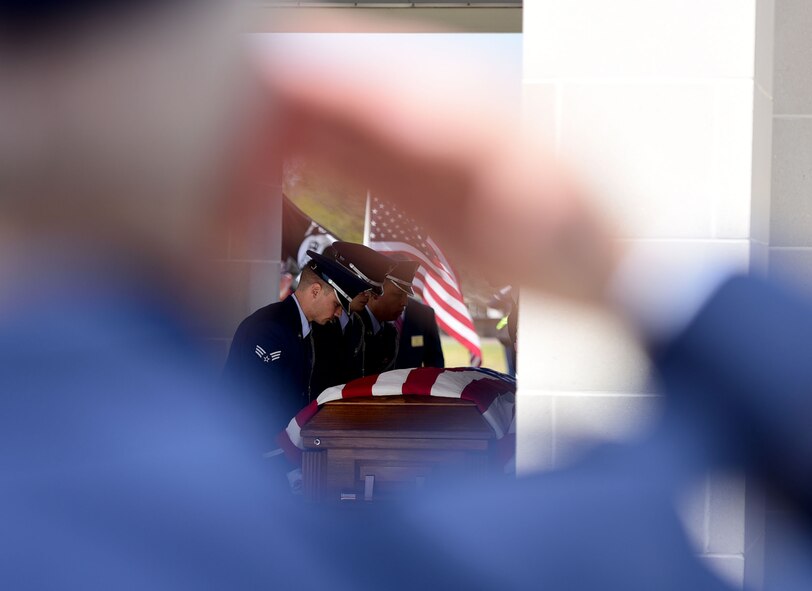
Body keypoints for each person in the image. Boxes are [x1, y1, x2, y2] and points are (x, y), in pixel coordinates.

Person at [223, 251, 371, 437]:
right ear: (315, 291)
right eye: (336, 304)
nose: (338, 314)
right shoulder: (270, 329)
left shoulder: (301, 326)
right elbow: (262, 407)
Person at [310, 242, 396, 396]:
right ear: (345, 280)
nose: (369, 296)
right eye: (364, 288)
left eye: (372, 290)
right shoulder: (314, 320)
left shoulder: (357, 324)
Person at [359, 259, 419, 375]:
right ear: (373, 292)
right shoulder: (351, 326)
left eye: (406, 296)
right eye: (398, 295)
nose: (405, 302)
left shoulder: (389, 333)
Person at [393, 296, 444, 370]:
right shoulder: (375, 309)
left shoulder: (424, 314)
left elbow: (435, 359)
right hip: (380, 380)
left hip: (413, 380)